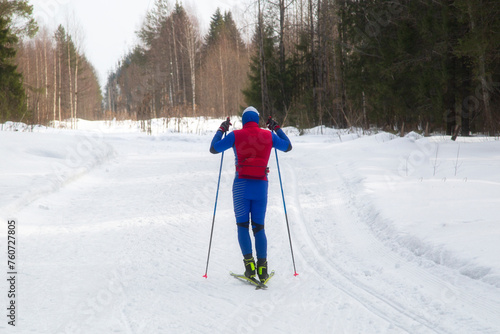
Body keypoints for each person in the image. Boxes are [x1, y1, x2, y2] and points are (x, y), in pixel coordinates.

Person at [210, 106, 292, 283]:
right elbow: (288, 146)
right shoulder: (268, 136)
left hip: (241, 186)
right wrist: (276, 128)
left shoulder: (235, 135)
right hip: (261, 186)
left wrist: (221, 129)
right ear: (257, 119)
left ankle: (250, 268)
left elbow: (214, 149)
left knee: (242, 226)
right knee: (259, 227)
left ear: (244, 120)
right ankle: (263, 269)